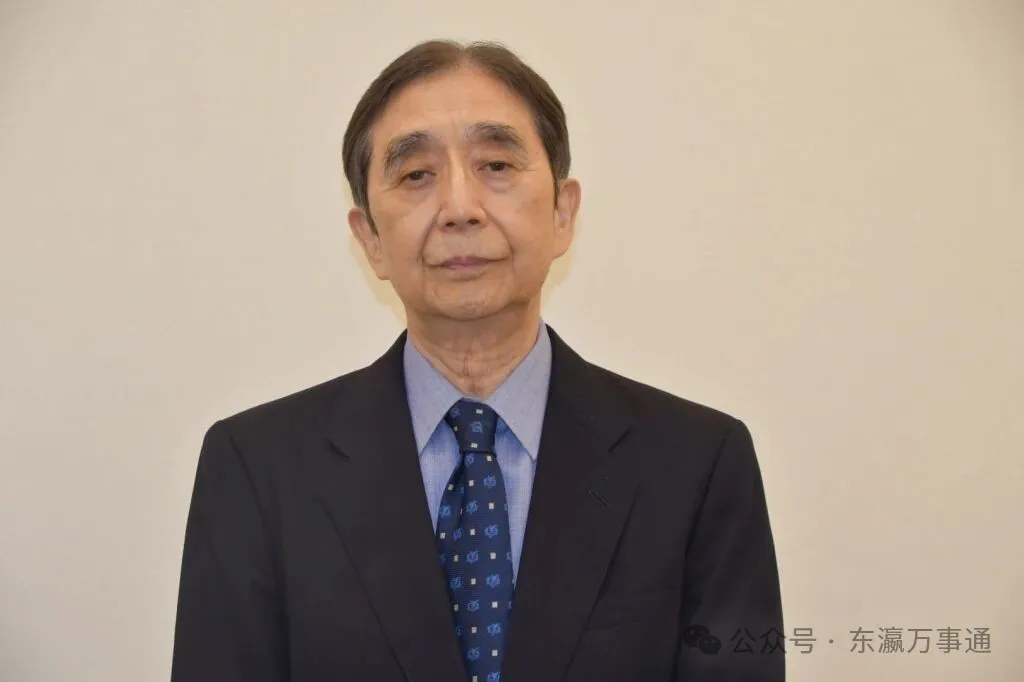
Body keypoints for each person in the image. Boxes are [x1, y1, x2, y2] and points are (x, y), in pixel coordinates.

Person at [170, 39, 784, 682]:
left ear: (563, 212)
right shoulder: (258, 470)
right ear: (369, 238)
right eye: (416, 175)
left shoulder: (698, 462)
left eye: (496, 164)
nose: (460, 209)